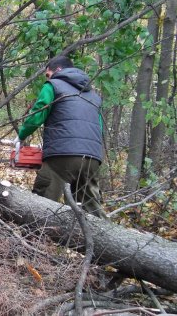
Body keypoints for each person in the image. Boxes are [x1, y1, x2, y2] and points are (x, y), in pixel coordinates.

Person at [14, 56, 107, 218]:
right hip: (92, 158)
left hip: (63, 156)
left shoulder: (53, 85)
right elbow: (99, 129)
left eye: (47, 74)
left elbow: (38, 114)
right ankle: (102, 239)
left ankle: (35, 238)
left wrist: (21, 135)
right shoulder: (93, 95)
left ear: (57, 70)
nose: (47, 78)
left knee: (43, 203)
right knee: (90, 209)